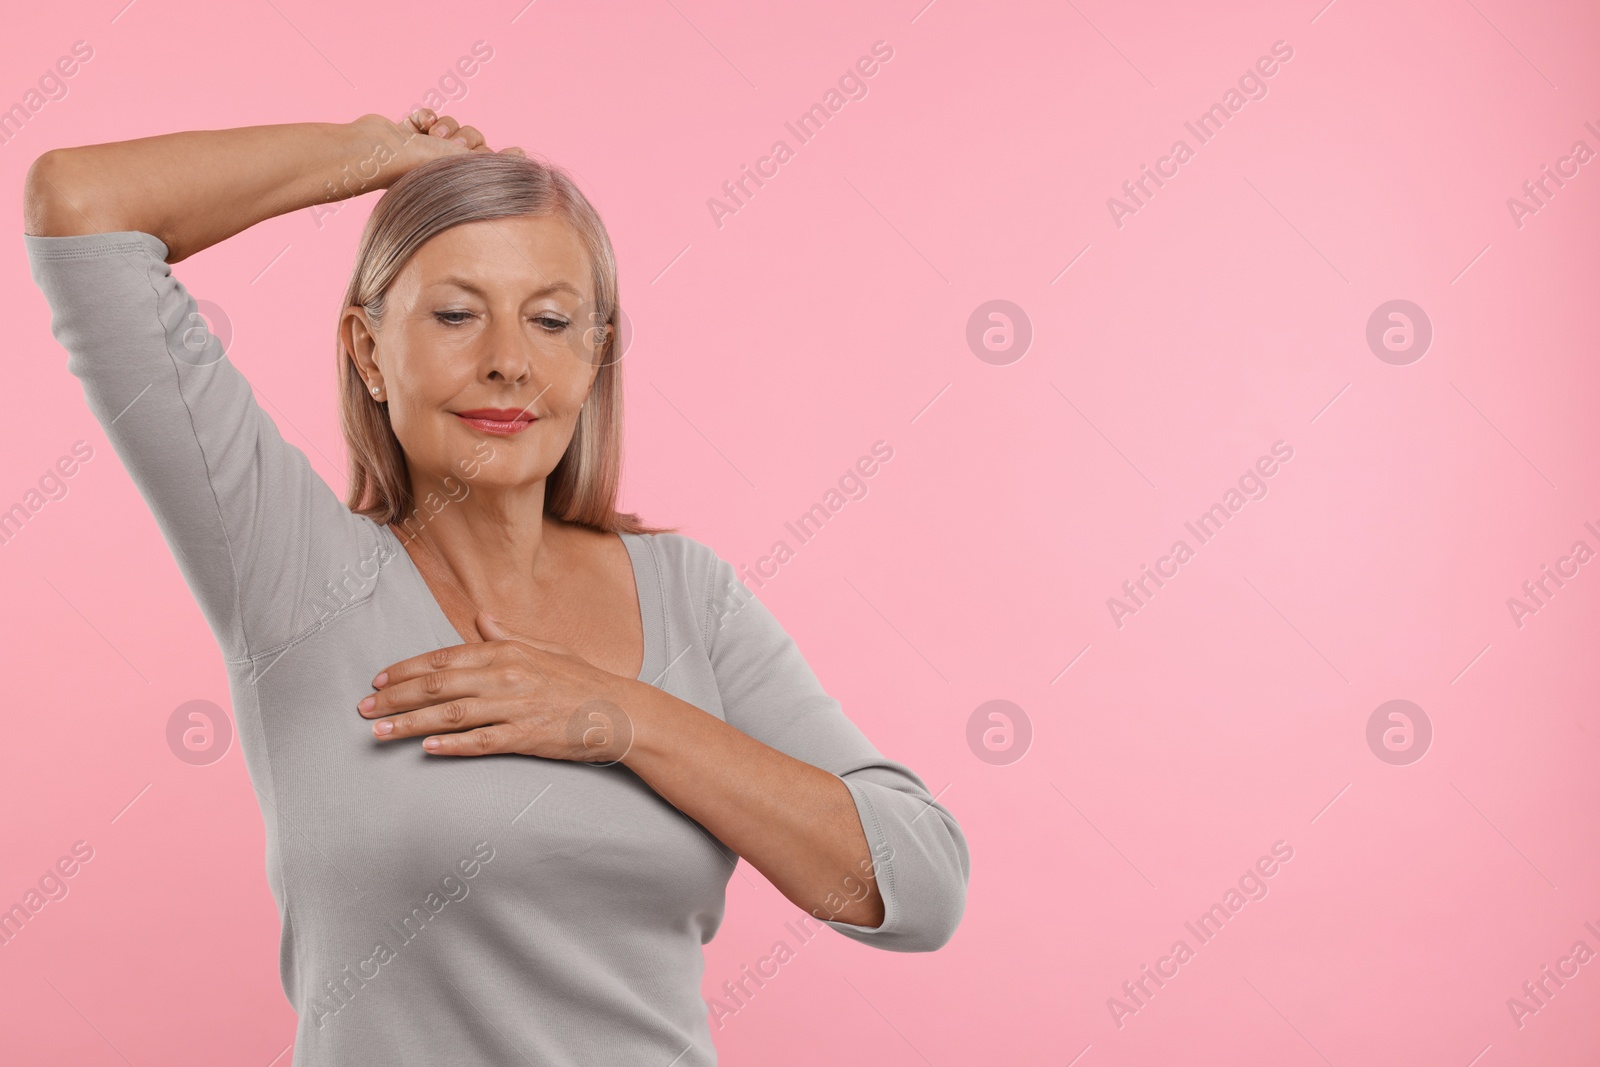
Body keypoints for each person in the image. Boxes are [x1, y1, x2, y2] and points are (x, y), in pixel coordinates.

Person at [21, 110, 969, 1065]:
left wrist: (616, 713)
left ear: (593, 357)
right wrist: (371, 157)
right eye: (455, 313)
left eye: (552, 320)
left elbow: (917, 886)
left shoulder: (687, 592)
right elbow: (81, 207)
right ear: (367, 350)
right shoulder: (293, 569)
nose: (509, 359)